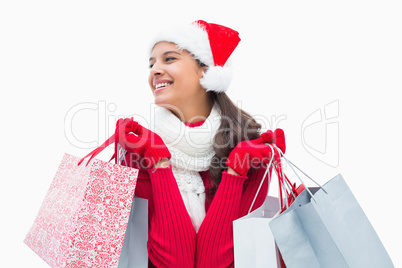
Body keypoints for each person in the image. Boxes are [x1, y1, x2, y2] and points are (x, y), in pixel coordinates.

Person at [115, 20, 286, 268]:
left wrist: (235, 173)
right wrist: (159, 164)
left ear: (205, 71)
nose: (155, 70)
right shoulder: (141, 150)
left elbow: (213, 263)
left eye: (169, 59)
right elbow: (175, 263)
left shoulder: (249, 150)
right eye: (151, 64)